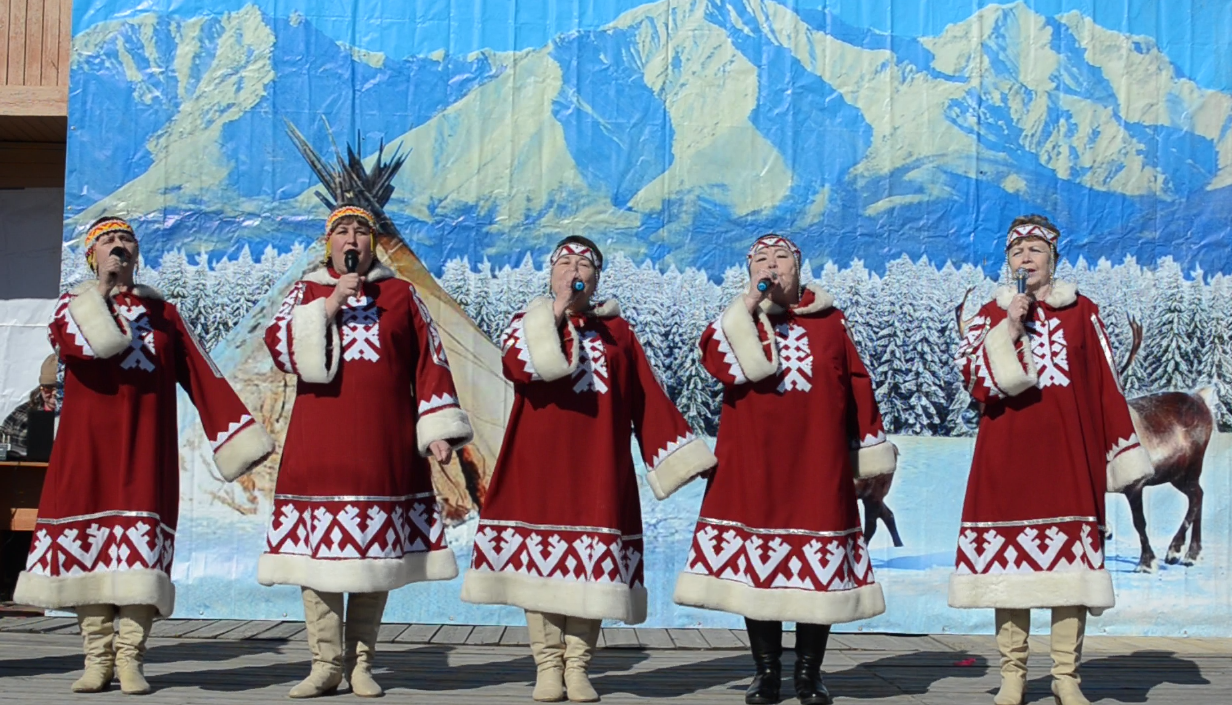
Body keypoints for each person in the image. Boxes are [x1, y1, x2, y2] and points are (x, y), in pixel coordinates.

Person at [13, 216, 274, 694]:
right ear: (93, 256)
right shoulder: (70, 310)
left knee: (141, 555)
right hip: (86, 449)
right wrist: (101, 298)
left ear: (137, 253)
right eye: (108, 242)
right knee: (85, 548)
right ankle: (97, 657)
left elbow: (204, 375)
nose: (118, 247)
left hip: (146, 448)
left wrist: (236, 440)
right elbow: (80, 347)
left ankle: (131, 656)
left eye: (126, 240)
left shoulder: (165, 316)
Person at [460, 235, 716, 703]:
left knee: (592, 569)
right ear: (552, 273)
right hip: (535, 464)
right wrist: (555, 313)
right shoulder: (528, 323)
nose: (574, 269)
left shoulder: (619, 333)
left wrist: (681, 457)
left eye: (585, 264)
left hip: (598, 463)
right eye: (565, 262)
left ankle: (577, 666)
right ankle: (546, 664)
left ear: (596, 279)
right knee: (536, 568)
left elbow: (647, 399)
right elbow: (517, 367)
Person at [260, 205, 474, 698]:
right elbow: (280, 346)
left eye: (361, 231)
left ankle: (360, 663)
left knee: (373, 557)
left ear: (372, 243)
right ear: (328, 243)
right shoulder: (308, 292)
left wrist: (437, 428)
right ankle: (323, 663)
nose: (351, 239)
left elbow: (430, 362)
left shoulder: (401, 295)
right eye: (342, 231)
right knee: (318, 559)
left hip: (384, 446)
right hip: (319, 445)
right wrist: (331, 303)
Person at [673, 234, 896, 705]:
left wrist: (870, 456)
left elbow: (858, 386)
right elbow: (715, 359)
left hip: (818, 462)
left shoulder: (830, 322)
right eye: (760, 259)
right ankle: (767, 673)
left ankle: (810, 674)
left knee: (818, 568)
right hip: (754, 462)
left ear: (799, 268)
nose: (770, 265)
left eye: (780, 258)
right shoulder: (738, 323)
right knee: (761, 566)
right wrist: (748, 306)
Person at [949, 215, 1153, 705]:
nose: (1026, 258)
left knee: (1072, 574)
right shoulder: (986, 314)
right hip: (1006, 456)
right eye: (1018, 252)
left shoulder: (1083, 313)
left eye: (1036, 251)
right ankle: (1013, 675)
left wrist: (1119, 452)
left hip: (1067, 456)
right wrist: (1009, 327)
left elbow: (1106, 386)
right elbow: (974, 382)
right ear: (1008, 262)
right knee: (1007, 572)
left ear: (1053, 261)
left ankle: (1066, 677)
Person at [0, 354, 60, 459]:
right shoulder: (22, 413)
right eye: (48, 388)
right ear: (41, 388)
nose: (54, 393)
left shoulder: (81, 416)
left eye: (60, 389)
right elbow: (3, 436)